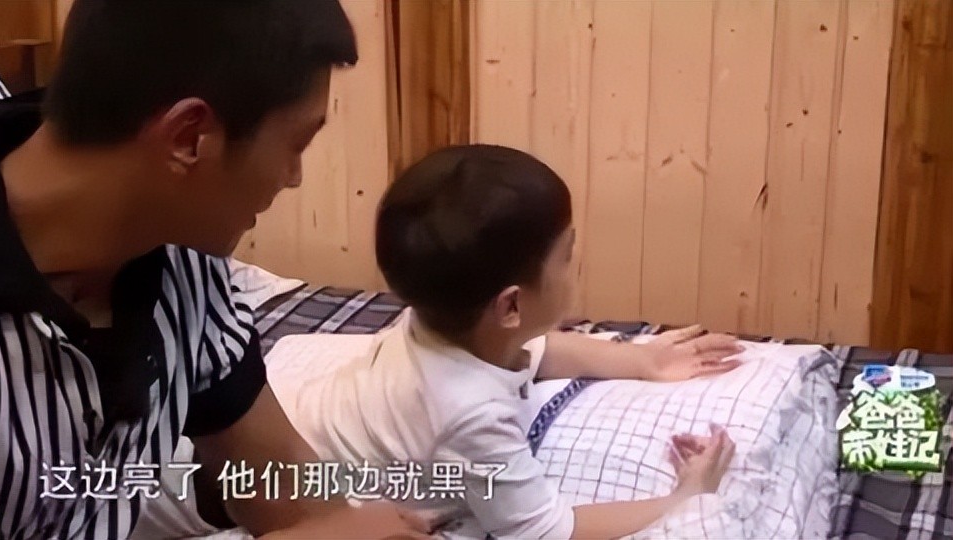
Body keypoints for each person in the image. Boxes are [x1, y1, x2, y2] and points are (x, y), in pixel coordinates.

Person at [0, 1, 427, 538]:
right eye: (296, 145)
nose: (293, 177)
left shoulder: (180, 250)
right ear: (188, 137)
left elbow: (272, 472)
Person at [280, 145, 743, 539]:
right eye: (566, 255)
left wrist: (643, 362)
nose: (575, 265)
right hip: (303, 494)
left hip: (295, 437)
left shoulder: (442, 318)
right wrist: (683, 498)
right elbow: (545, 530)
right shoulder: (471, 411)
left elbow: (534, 351)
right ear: (511, 307)